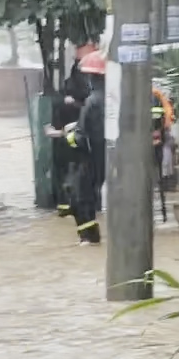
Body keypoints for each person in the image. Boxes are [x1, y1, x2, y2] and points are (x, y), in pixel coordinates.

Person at [54, 50, 107, 243]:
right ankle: (90, 237)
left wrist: (66, 135)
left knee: (78, 198)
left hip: (89, 159)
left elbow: (81, 138)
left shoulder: (92, 102)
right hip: (105, 158)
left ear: (92, 77)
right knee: (86, 197)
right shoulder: (113, 99)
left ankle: (89, 239)